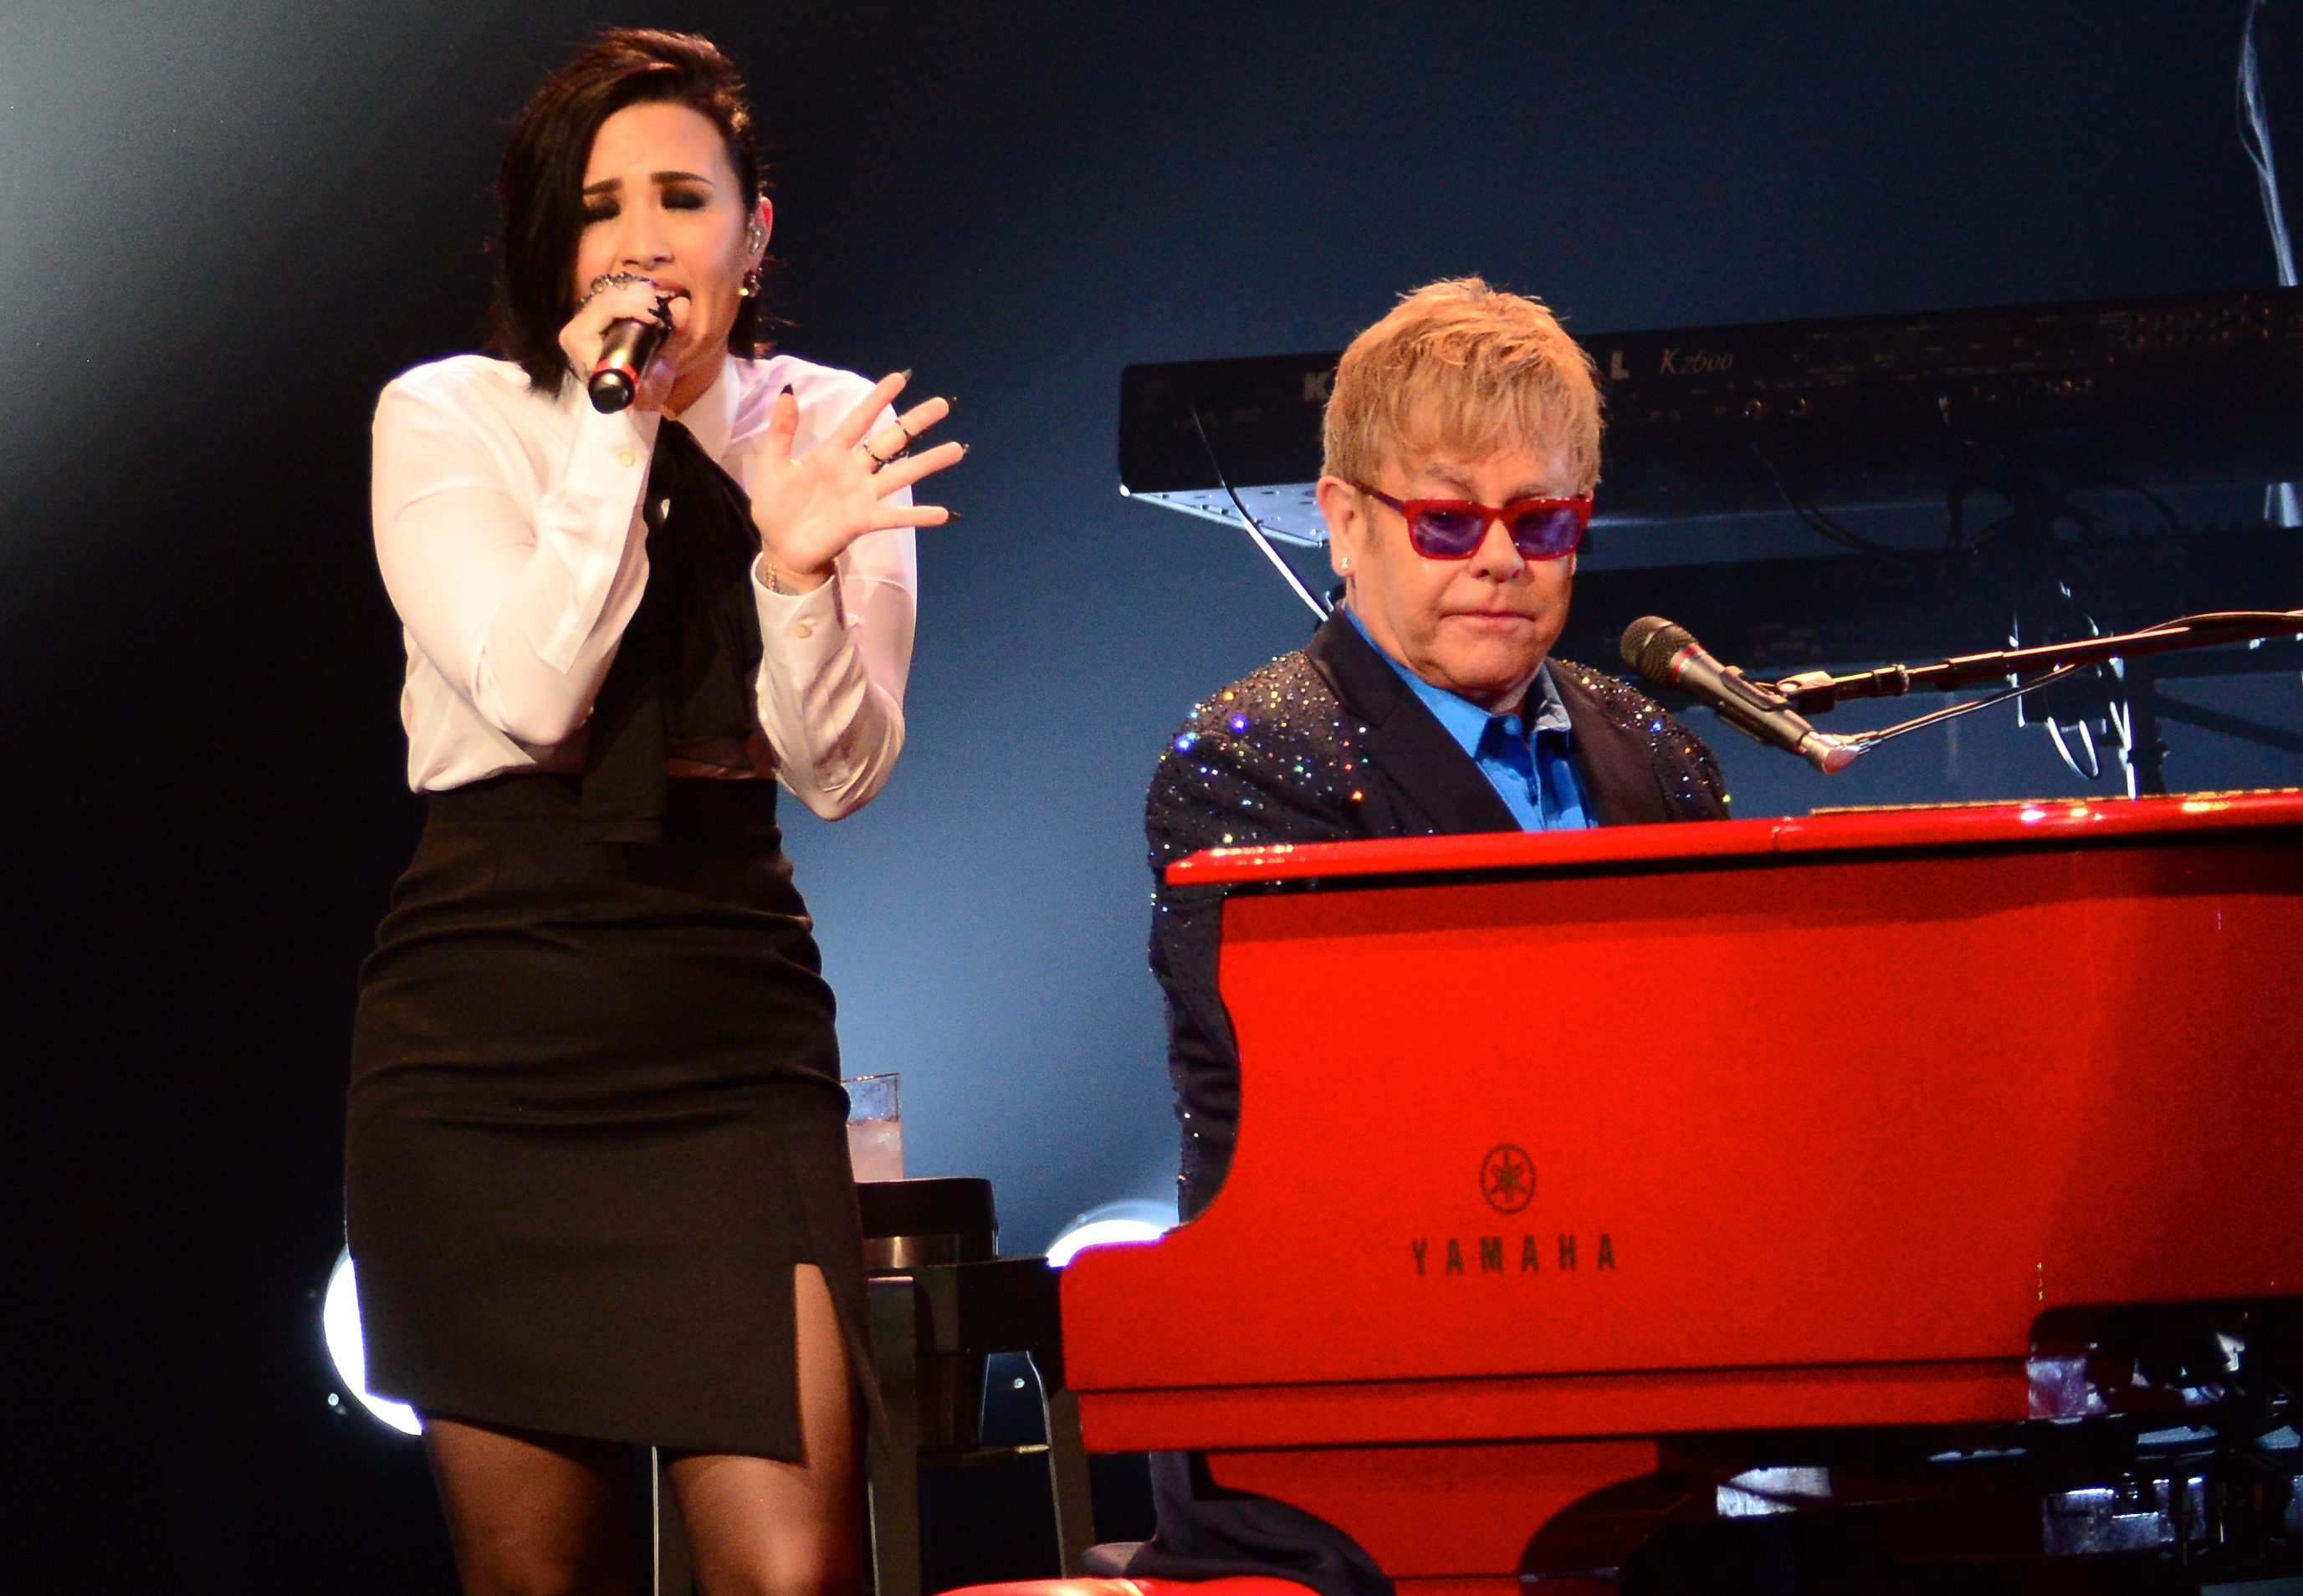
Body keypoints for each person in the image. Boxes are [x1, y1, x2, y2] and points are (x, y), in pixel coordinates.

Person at [344, 30, 960, 1596]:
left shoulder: (826, 423)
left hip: (723, 1021)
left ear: (753, 234)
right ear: (549, 243)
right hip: (488, 1022)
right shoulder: (456, 415)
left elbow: (840, 772)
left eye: (681, 199)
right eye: (598, 205)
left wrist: (794, 571)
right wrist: (619, 422)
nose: (641, 240)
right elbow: (534, 697)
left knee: (792, 1571)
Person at [1127, 279, 1727, 1596]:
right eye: (1448, 520)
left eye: (1541, 519)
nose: (1500, 561)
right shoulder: (1245, 764)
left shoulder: (1658, 751)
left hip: (1646, 1367)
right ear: (1344, 523)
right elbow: (1360, 1111)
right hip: (1344, 1394)